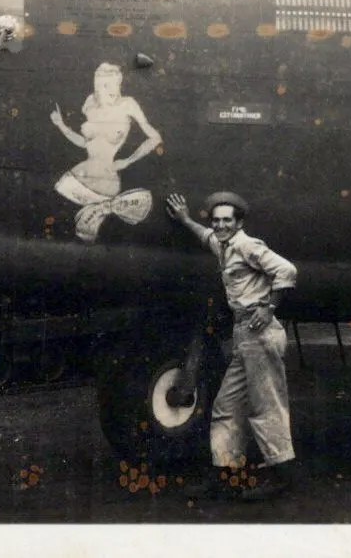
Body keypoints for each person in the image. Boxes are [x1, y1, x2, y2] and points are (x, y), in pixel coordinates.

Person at [165, 190, 299, 500]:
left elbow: (287, 271)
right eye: (216, 221)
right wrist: (185, 219)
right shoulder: (224, 246)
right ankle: (223, 475)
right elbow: (206, 236)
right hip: (244, 336)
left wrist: (268, 307)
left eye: (227, 220)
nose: (221, 226)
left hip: (260, 334)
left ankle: (282, 475)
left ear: (239, 222)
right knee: (226, 407)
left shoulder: (246, 245)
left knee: (266, 405)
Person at [50, 62, 163, 241]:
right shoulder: (90, 104)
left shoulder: (128, 104)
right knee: (66, 233)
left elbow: (155, 138)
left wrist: (128, 161)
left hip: (105, 184)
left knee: (97, 236)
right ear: (97, 87)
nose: (113, 90)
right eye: (106, 85)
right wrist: (61, 125)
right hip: (74, 180)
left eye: (117, 84)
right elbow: (85, 143)